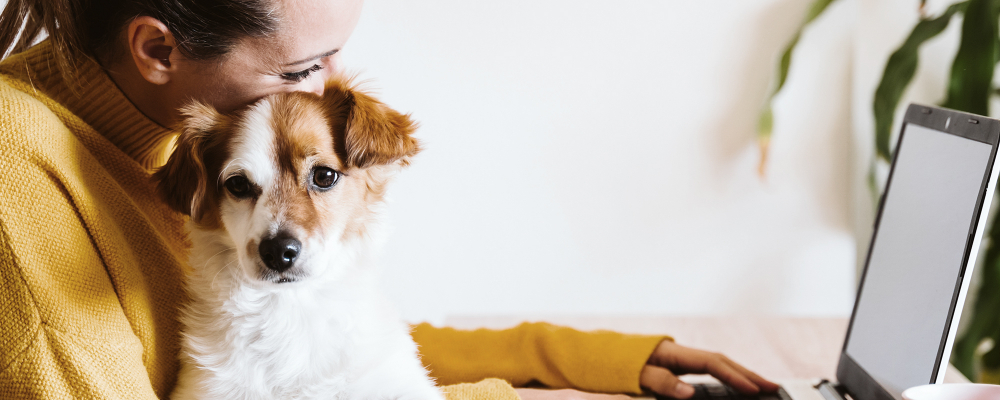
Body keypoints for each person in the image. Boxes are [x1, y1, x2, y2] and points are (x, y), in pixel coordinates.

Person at [0, 0, 780, 398]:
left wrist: (588, 360)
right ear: (159, 49)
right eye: (303, 66)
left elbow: (319, 354)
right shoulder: (18, 189)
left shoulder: (178, 137)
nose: (331, 87)